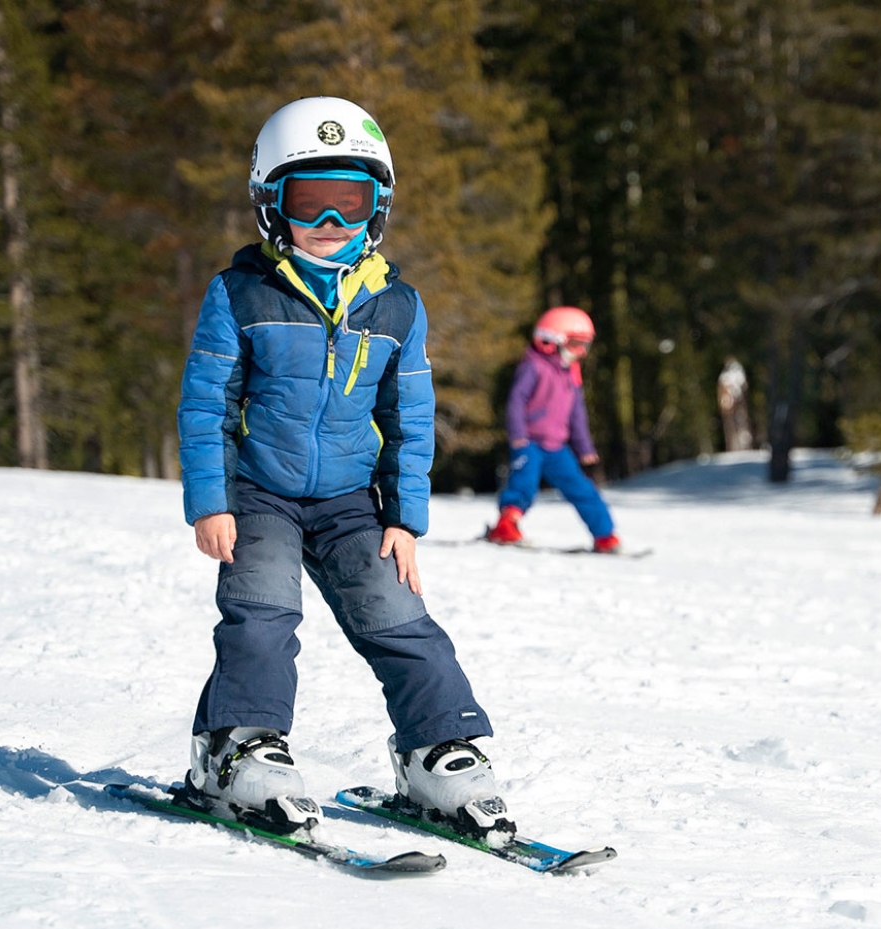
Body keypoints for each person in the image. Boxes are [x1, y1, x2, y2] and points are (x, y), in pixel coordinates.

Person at [173, 96, 512, 842]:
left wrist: (404, 518)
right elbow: (205, 403)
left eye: (350, 204)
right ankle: (239, 748)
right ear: (270, 205)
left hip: (352, 501)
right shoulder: (240, 294)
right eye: (311, 203)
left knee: (403, 621)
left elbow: (409, 420)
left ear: (378, 207)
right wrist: (210, 500)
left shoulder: (396, 305)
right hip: (257, 492)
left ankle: (438, 751)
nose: (332, 225)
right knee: (262, 616)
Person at [485, 307, 622, 552]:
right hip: (529, 443)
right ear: (551, 340)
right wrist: (517, 435)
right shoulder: (534, 366)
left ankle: (605, 535)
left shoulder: (571, 374)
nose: (581, 351)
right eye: (576, 344)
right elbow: (516, 400)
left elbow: (577, 415)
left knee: (582, 489)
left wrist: (584, 447)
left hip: (557, 447)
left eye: (585, 345)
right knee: (523, 485)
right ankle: (505, 526)